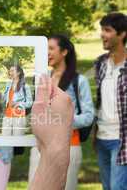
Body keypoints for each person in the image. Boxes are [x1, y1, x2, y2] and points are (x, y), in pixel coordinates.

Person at [28, 34, 94, 190]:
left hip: (69, 146)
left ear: (64, 52)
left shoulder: (79, 81)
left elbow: (89, 116)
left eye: (51, 48)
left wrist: (62, 122)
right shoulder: (42, 81)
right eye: (45, 49)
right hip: (39, 147)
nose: (47, 53)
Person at [94, 12, 127, 190]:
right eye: (102, 30)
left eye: (107, 30)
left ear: (122, 34)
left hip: (122, 141)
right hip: (101, 139)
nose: (102, 35)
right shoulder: (100, 64)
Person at [2, 65, 33, 136]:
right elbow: (5, 99)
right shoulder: (8, 85)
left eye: (13, 71)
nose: (10, 73)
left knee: (17, 143)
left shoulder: (25, 86)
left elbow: (30, 103)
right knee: (5, 141)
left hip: (18, 116)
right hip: (7, 116)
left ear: (18, 73)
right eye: (10, 71)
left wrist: (17, 103)